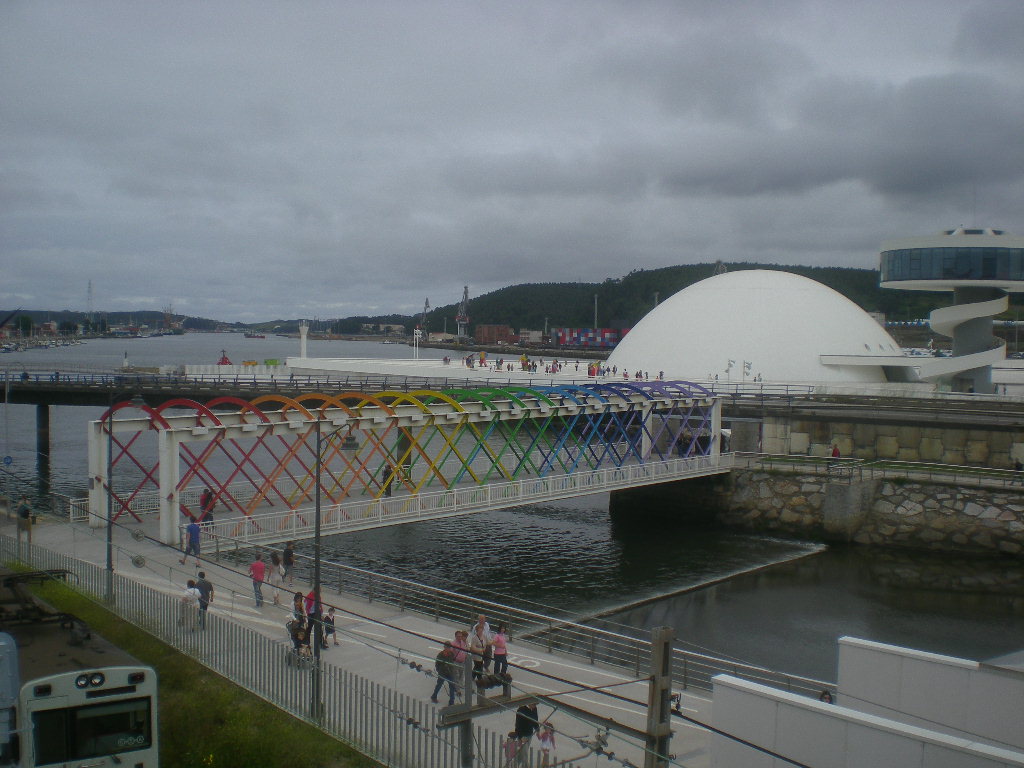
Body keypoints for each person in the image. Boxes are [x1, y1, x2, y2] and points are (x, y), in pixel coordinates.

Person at [430, 641, 458, 705]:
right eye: (447, 647)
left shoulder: (451, 654)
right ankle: (434, 696)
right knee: (439, 685)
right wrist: (439, 671)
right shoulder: (440, 655)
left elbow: (452, 662)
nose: (448, 648)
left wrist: (452, 670)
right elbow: (437, 664)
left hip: (450, 672)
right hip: (442, 672)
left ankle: (451, 701)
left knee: (452, 686)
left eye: (449, 647)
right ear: (444, 647)